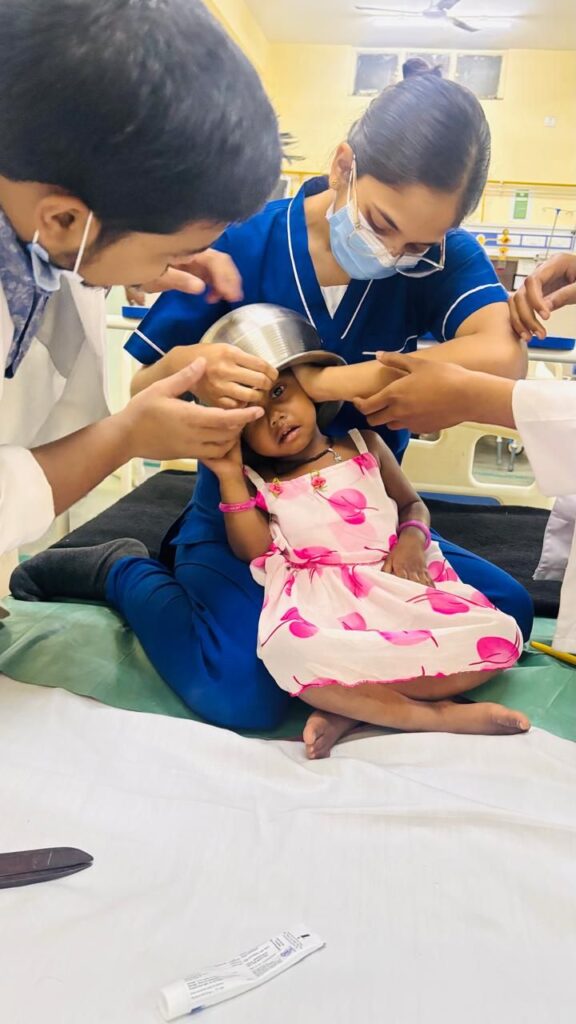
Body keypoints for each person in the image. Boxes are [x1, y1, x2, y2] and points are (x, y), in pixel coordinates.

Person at [17, 73, 534, 731]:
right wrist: (194, 368)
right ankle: (121, 569)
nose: (396, 253)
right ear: (344, 166)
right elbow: (145, 391)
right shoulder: (244, 241)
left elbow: (502, 356)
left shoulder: (438, 256)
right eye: (383, 225)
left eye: (419, 245)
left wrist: (331, 383)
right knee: (241, 693)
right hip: (249, 522)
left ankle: (354, 696)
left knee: (508, 611)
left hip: (361, 527)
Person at [0, 0, 283, 555]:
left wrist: (102, 266)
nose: (174, 267)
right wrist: (125, 436)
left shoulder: (44, 216)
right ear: (65, 220)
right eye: (172, 251)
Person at [208, 365, 527, 758]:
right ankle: (431, 716)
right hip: (326, 607)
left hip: (397, 587)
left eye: (279, 393)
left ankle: (349, 710)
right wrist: (229, 477)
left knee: (502, 634)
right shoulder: (260, 480)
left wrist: (411, 541)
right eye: (254, 416)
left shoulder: (364, 445)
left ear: (310, 392)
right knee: (286, 651)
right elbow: (254, 550)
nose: (275, 416)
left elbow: (412, 505)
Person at [355, 253, 576, 654]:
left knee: (505, 613)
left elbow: (503, 354)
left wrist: (480, 397)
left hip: (385, 533)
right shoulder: (257, 243)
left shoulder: (363, 446)